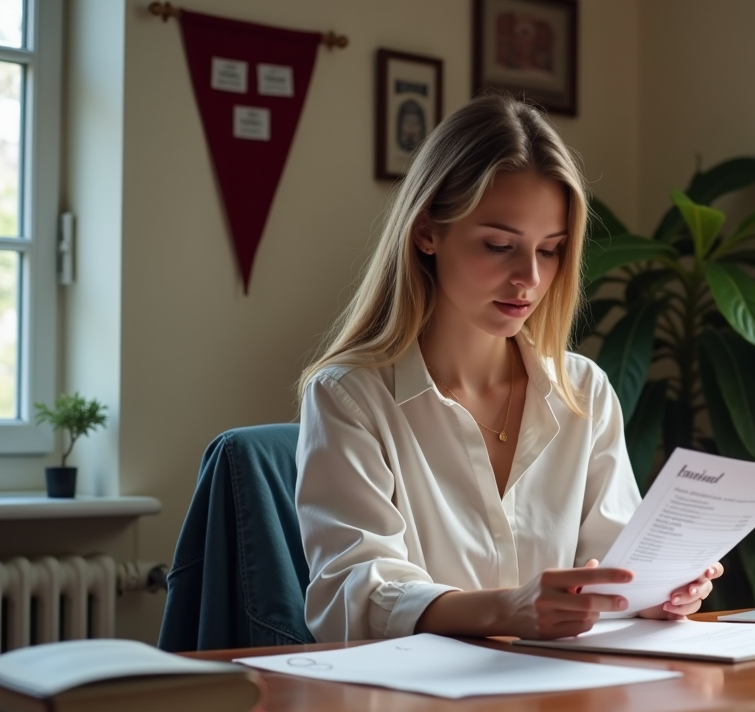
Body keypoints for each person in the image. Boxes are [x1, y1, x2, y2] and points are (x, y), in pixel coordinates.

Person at [296, 94, 722, 642]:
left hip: (566, 699)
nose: (530, 279)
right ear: (427, 232)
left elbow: (613, 566)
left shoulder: (583, 391)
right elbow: (351, 592)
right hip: (416, 709)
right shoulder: (350, 396)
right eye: (499, 245)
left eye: (550, 250)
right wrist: (507, 610)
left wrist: (657, 593)